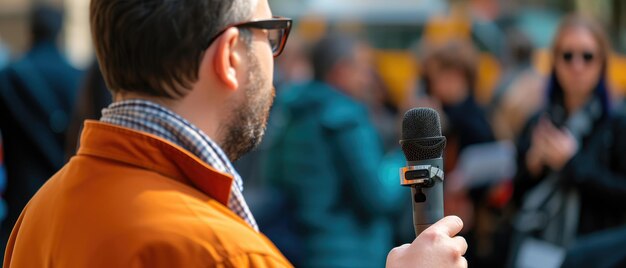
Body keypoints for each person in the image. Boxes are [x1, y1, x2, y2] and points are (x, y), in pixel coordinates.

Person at [4, 0, 467, 267]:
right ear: (230, 56)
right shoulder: (223, 253)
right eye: (270, 35)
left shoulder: (41, 211)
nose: (274, 59)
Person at [263, 35, 403, 267]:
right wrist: (402, 160)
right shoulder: (346, 118)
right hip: (351, 255)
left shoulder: (293, 112)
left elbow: (273, 178)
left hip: (304, 249)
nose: (367, 78)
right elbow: (379, 197)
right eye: (362, 68)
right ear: (341, 71)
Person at [509, 14, 626, 267]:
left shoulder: (617, 122)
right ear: (554, 62)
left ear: (602, 63)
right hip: (536, 247)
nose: (577, 66)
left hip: (593, 252)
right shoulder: (539, 121)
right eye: (567, 55)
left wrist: (573, 164)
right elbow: (516, 197)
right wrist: (532, 167)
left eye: (587, 56)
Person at [0, 4, 81, 252]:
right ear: (60, 32)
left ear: (30, 31)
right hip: (63, 196)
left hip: (20, 200)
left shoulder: (10, 76)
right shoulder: (76, 77)